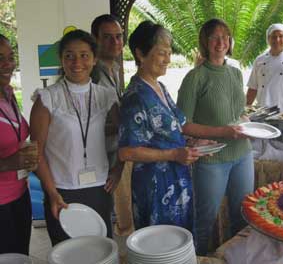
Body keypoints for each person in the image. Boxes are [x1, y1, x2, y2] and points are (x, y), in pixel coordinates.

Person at [118, 20, 245, 235]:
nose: (168, 59)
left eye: (169, 52)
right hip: (156, 186)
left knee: (179, 239)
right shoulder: (137, 96)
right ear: (140, 54)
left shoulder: (159, 87)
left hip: (177, 180)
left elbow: (175, 127)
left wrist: (194, 143)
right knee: (162, 244)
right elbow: (127, 151)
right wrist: (174, 153)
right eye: (161, 53)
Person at [30, 29, 122, 246]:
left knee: (100, 252)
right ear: (62, 60)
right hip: (62, 191)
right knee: (68, 253)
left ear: (94, 58)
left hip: (100, 188)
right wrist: (51, 192)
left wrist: (119, 169)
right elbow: (35, 152)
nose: (77, 62)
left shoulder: (105, 96)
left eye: (84, 55)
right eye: (69, 55)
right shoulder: (48, 98)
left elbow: (127, 136)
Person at [177, 18, 254, 256]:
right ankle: (196, 258)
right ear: (206, 42)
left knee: (242, 216)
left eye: (225, 37)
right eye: (214, 37)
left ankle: (234, 258)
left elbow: (238, 112)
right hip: (212, 160)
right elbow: (182, 125)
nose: (221, 42)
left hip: (242, 154)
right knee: (205, 220)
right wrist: (223, 132)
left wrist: (245, 122)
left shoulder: (235, 73)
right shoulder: (195, 77)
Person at [90, 14, 134, 238]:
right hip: (96, 162)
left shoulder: (113, 69)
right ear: (94, 39)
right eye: (107, 37)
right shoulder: (93, 74)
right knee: (98, 222)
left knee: (106, 215)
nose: (115, 42)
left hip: (111, 156)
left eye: (118, 37)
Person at [0, 34, 39, 255]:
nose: (8, 64)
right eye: (0, 58)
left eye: (10, 57)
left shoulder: (8, 94)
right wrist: (7, 163)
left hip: (20, 194)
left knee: (20, 255)